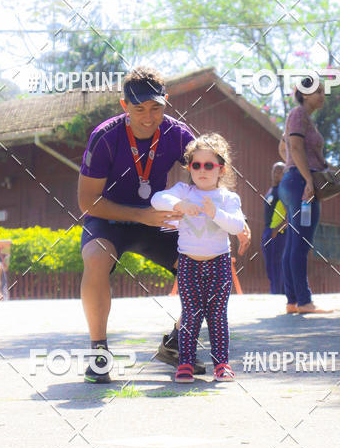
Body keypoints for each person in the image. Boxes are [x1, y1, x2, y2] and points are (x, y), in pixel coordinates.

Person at [77, 66, 250, 383]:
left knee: (204, 264)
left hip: (157, 220)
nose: (148, 116)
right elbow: (87, 202)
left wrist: (237, 218)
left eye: (156, 107)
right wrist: (141, 214)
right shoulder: (105, 137)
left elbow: (211, 168)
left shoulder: (176, 133)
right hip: (109, 218)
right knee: (96, 258)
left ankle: (175, 344)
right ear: (124, 106)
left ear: (166, 102)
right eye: (139, 108)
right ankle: (98, 353)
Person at [151, 133, 245, 382]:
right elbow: (157, 199)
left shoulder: (227, 198)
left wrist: (215, 213)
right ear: (189, 168)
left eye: (209, 165)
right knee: (191, 313)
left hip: (219, 263)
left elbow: (236, 227)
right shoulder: (184, 191)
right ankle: (185, 363)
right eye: (196, 165)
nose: (202, 170)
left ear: (221, 169)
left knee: (217, 314)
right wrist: (179, 205)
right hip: (188, 263)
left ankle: (222, 364)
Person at [277, 78, 333, 314]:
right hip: (301, 183)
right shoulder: (299, 113)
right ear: (303, 94)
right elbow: (295, 147)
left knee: (293, 243)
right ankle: (304, 301)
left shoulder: (302, 117)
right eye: (317, 91)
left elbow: (284, 148)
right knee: (300, 245)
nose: (322, 95)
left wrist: (315, 165)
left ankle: (293, 301)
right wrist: (308, 178)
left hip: (295, 180)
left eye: (322, 91)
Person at [261, 162, 287, 294]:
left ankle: (279, 294)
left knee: (278, 265)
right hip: (268, 231)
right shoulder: (271, 191)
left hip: (279, 233)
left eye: (279, 171)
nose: (275, 173)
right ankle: (275, 291)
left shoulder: (284, 191)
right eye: (274, 170)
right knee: (270, 266)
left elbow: (291, 214)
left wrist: (277, 229)